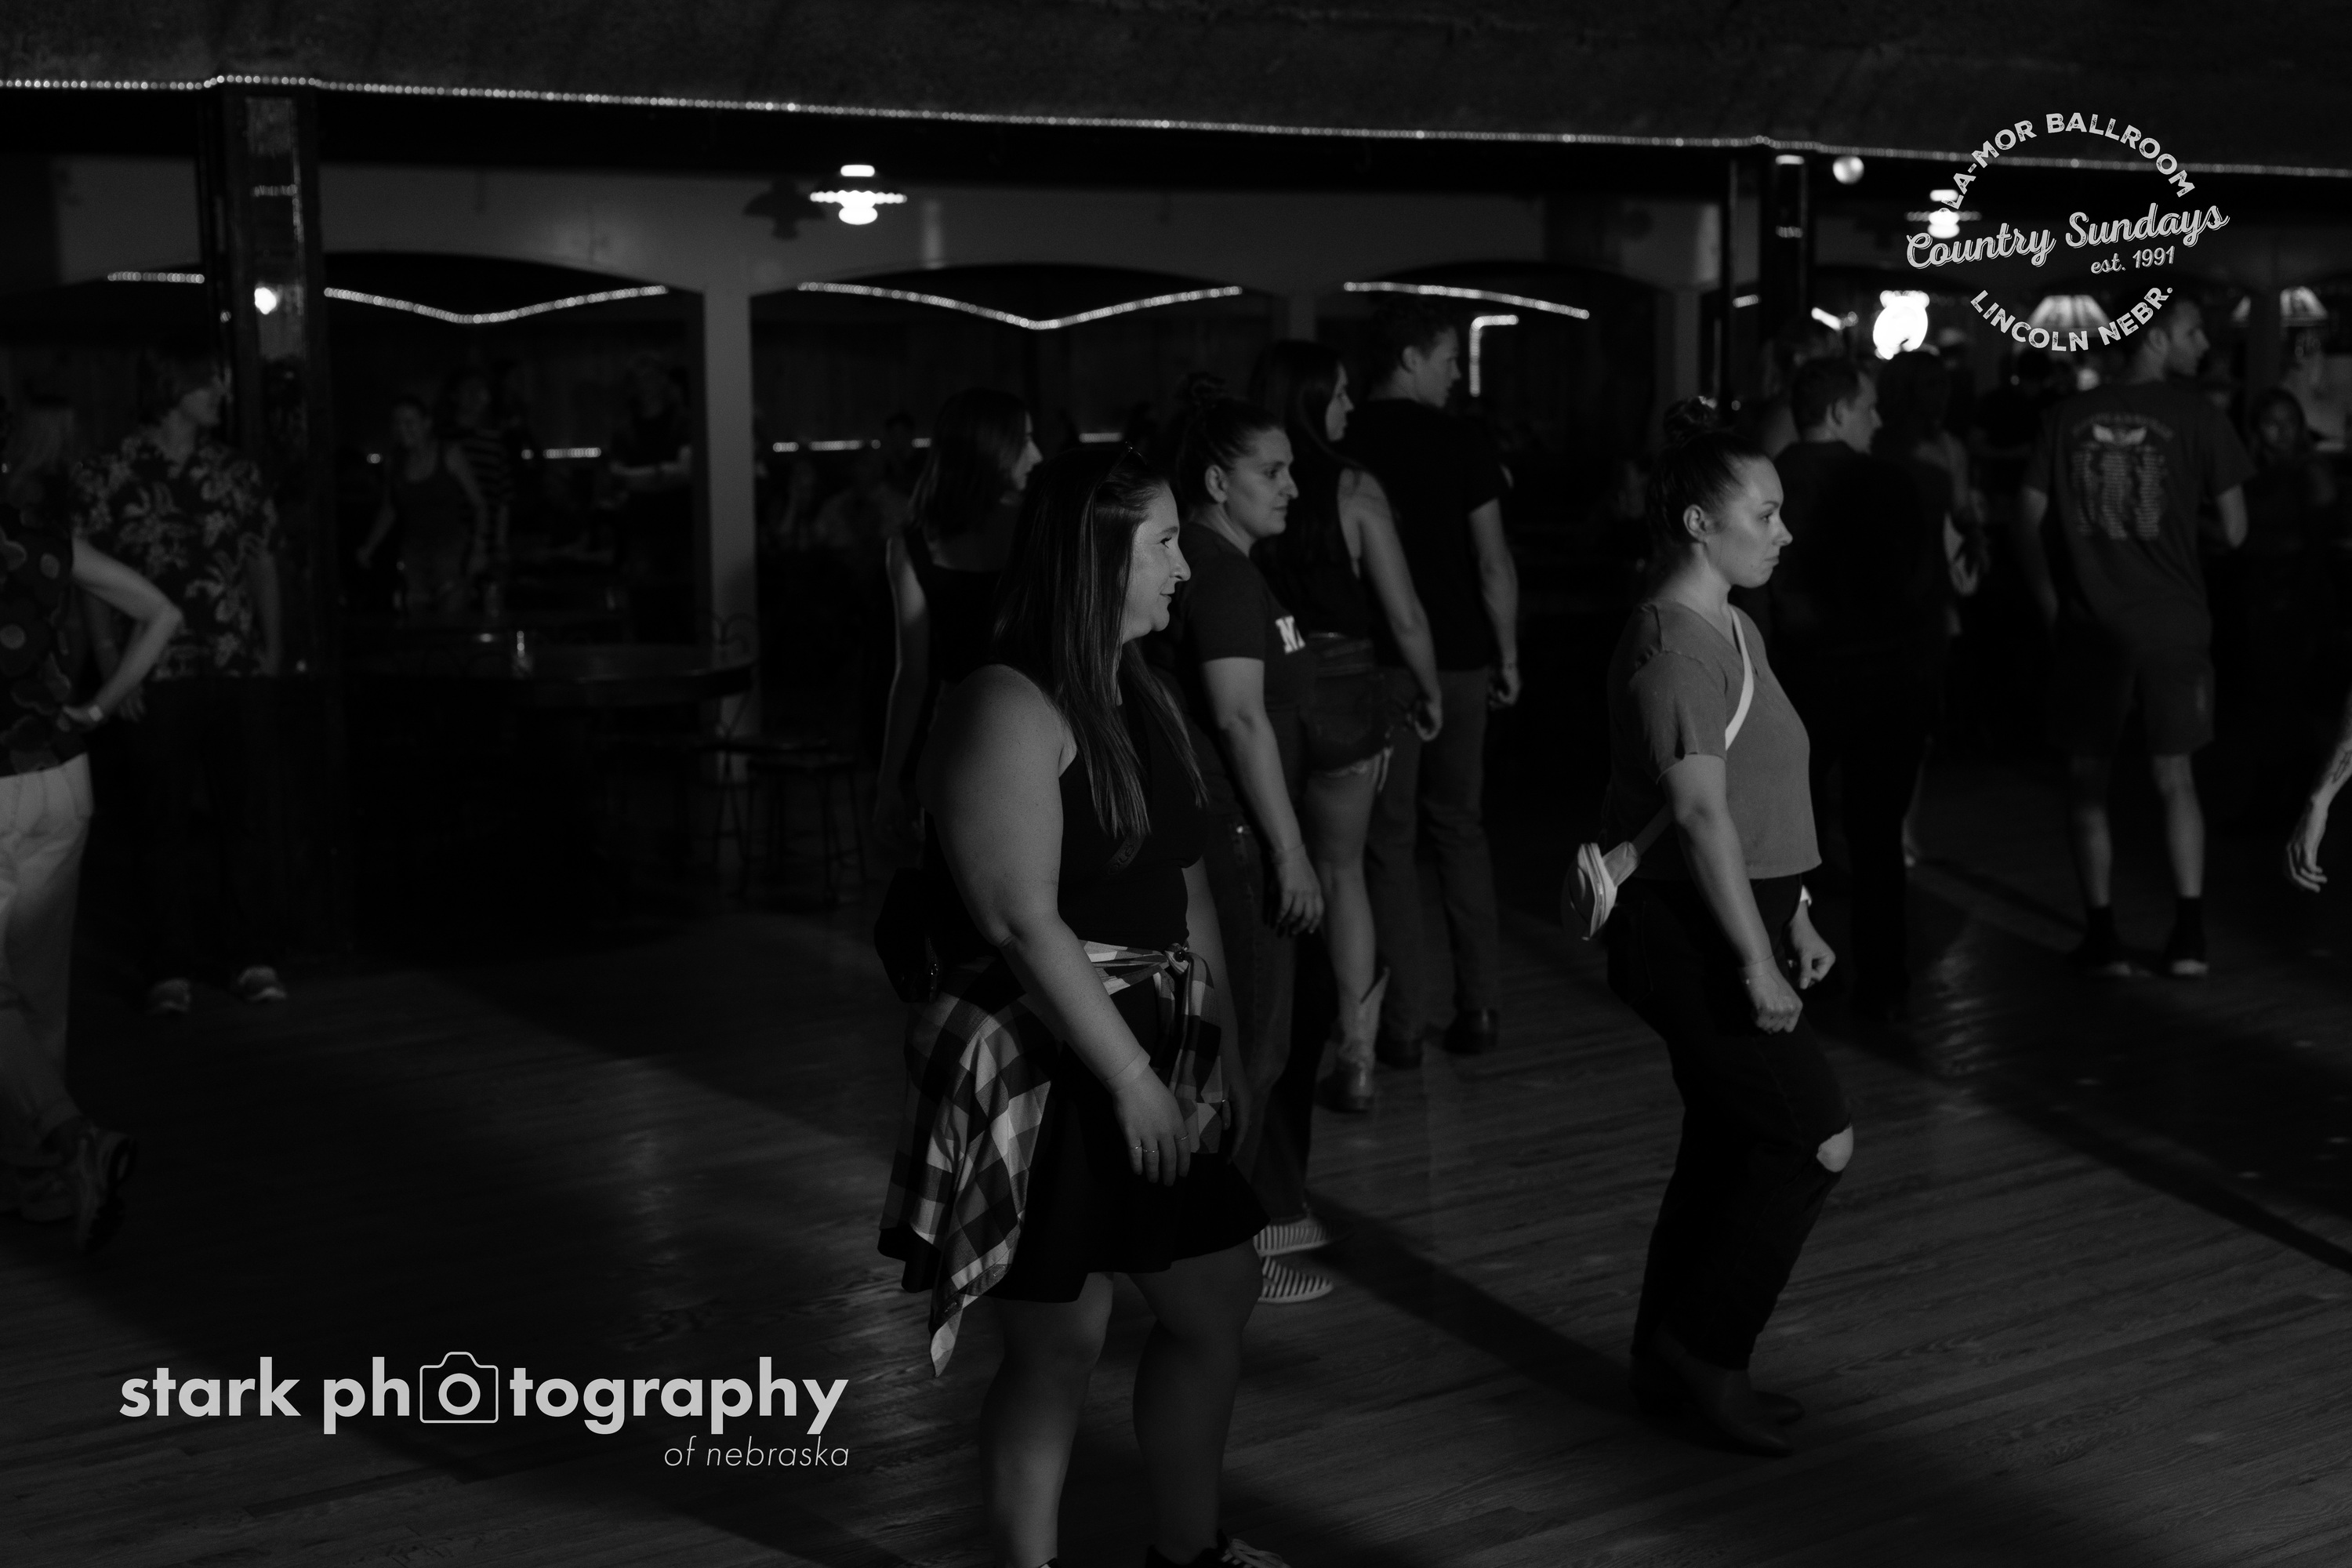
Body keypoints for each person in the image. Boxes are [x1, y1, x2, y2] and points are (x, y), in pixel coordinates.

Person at [878, 446, 1283, 1568]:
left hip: (1147, 1038)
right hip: (1055, 1055)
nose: (1184, 569)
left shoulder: (1139, 685)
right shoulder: (1005, 702)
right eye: (1165, 544)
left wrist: (1220, 1054)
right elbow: (1021, 923)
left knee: (1216, 1292)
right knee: (1061, 1340)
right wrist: (1133, 1079)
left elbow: (1187, 888)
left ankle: (1188, 1550)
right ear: (1096, 557)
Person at [1599, 401, 1851, 1459]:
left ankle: (1666, 1360)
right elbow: (1700, 817)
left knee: (1728, 1140)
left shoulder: (1735, 627)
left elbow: (1755, 787)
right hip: (1692, 934)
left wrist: (1797, 910)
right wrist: (1755, 961)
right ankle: (1710, 1351)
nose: (1784, 532)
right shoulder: (1675, 648)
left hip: (1734, 918)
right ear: (1700, 523)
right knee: (1812, 1137)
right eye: (1765, 513)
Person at [1152, 378, 1330, 1308]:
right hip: (1236, 835)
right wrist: (1290, 852)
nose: (1292, 486)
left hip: (1234, 830)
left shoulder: (1224, 564)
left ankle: (1233, 1241)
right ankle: (1223, 1264)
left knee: (1253, 1051)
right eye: (1274, 470)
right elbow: (1239, 717)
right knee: (1248, 1056)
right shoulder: (1218, 572)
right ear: (1218, 481)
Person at [2016, 294, 2252, 978]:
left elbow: (2025, 520)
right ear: (2154, 337)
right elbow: (2236, 530)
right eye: (2193, 332)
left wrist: (2049, 602)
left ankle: (2104, 937)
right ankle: (2189, 937)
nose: (2204, 344)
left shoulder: (2066, 417)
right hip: (2174, 621)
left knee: (2087, 779)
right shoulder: (2199, 416)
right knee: (2175, 776)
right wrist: (2180, 532)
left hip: (2092, 625)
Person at [0, 399, 183, 1249]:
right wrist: (100, 709)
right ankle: (41, 1182)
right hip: (63, 776)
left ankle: (73, 1138)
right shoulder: (48, 544)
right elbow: (162, 611)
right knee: (40, 999)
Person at [1247, 340, 1443, 1118]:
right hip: (1348, 695)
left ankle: (1267, 1051)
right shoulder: (1354, 488)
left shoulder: (1241, 485)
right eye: (1336, 393)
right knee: (1343, 872)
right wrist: (1428, 689)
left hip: (1263, 691)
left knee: (1270, 869)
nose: (1349, 406)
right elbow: (1405, 612)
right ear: (1308, 399)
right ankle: (1357, 1056)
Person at [76, 354, 292, 1016]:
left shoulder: (235, 470)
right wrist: (113, 665)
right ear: (173, 390)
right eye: (207, 382)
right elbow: (91, 575)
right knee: (160, 821)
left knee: (245, 817)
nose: (221, 392)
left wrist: (273, 650)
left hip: (233, 661)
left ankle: (250, 957)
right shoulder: (111, 469)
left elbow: (261, 561)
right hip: (156, 669)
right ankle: (168, 967)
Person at [1344, 296, 1517, 1066]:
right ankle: (1478, 1008)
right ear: (1410, 358)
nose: (1456, 374)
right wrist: (1508, 653)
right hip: (1462, 659)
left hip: (1379, 660)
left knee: (1389, 841)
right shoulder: (1462, 441)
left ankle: (1404, 1025)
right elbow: (1492, 561)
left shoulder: (1345, 438)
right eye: (1449, 358)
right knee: (1460, 827)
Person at [1769, 358, 1948, 1018]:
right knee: (1877, 838)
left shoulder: (1768, 480)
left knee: (1791, 834)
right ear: (1839, 411)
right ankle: (1883, 976)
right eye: (1868, 406)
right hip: (1882, 679)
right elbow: (1919, 584)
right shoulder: (1891, 482)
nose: (1877, 418)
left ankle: (1801, 962)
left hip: (1798, 680)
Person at [871, 390, 1041, 862]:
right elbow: (911, 679)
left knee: (956, 881)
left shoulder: (912, 546)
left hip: (959, 731)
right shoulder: (1040, 527)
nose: (1037, 454)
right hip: (1032, 725)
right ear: (990, 449)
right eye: (1025, 440)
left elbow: (913, 678)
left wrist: (889, 781)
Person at [358, 397, 489, 621]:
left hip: (450, 548)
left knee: (450, 615)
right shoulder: (396, 461)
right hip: (414, 551)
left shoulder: (449, 454)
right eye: (397, 423)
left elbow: (479, 503)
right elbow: (390, 508)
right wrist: (369, 546)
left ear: (427, 423)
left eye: (409, 423)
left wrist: (479, 548)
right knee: (419, 617)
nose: (402, 429)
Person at [608, 357, 694, 642]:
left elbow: (686, 472)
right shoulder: (625, 428)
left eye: (652, 377)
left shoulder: (683, 420)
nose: (647, 386)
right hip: (642, 529)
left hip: (681, 526)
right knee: (646, 611)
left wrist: (640, 478)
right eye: (640, 379)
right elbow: (617, 477)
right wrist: (661, 473)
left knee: (685, 608)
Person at [446, 369, 514, 565]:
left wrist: (500, 545)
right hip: (447, 541)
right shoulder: (443, 441)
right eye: (469, 390)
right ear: (455, 396)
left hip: (484, 544)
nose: (476, 396)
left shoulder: (494, 443)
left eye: (480, 391)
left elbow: (504, 498)